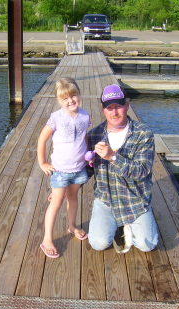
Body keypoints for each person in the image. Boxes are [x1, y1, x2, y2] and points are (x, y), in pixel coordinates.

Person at [87, 84, 158, 253]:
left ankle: (142, 218)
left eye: (118, 106)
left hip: (136, 200)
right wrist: (63, 188)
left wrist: (112, 156)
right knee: (98, 243)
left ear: (127, 105)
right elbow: (86, 169)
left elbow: (142, 171)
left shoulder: (143, 134)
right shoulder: (94, 135)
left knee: (147, 245)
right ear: (103, 110)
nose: (114, 112)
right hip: (106, 200)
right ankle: (118, 224)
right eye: (109, 108)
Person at [37, 77, 90, 258]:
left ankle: (72, 225)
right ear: (59, 101)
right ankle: (47, 239)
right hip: (60, 170)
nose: (70, 101)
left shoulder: (85, 115)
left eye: (73, 96)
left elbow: (84, 137)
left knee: (73, 197)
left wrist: (88, 154)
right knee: (57, 202)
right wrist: (42, 162)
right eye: (65, 99)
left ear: (79, 95)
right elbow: (42, 140)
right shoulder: (56, 118)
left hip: (79, 168)